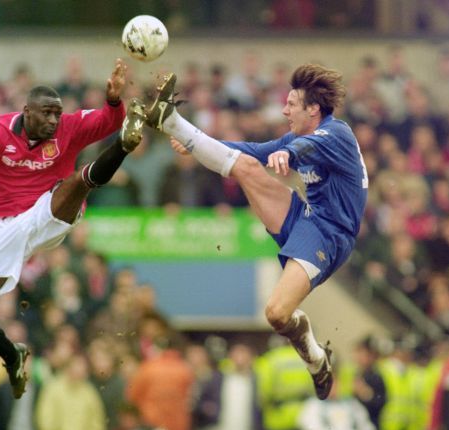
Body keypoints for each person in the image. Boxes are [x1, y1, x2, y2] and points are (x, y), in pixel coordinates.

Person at [148, 63, 368, 399]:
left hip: (331, 235)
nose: (284, 110)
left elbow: (303, 150)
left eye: (291, 104)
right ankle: (172, 120)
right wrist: (189, 139)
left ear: (313, 108)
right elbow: (248, 152)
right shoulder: (300, 136)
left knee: (277, 314)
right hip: (307, 215)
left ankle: (314, 355)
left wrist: (287, 152)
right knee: (246, 167)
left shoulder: (336, 135)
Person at [0, 58, 149, 400]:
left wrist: (114, 101)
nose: (52, 120)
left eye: (56, 114)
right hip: (2, 226)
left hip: (48, 211)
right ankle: (12, 355)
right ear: (26, 112)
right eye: (45, 113)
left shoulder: (68, 128)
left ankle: (123, 146)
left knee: (78, 180)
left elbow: (110, 119)